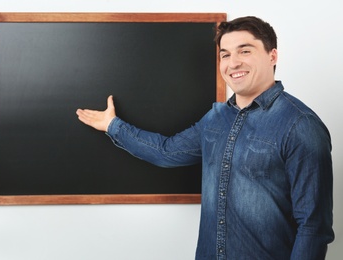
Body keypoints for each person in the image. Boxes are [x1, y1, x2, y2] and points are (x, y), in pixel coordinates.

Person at [76, 16, 334, 259]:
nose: (233, 63)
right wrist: (112, 125)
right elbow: (167, 152)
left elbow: (313, 227)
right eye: (226, 54)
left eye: (245, 51)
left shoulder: (300, 125)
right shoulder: (216, 119)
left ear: (272, 55)